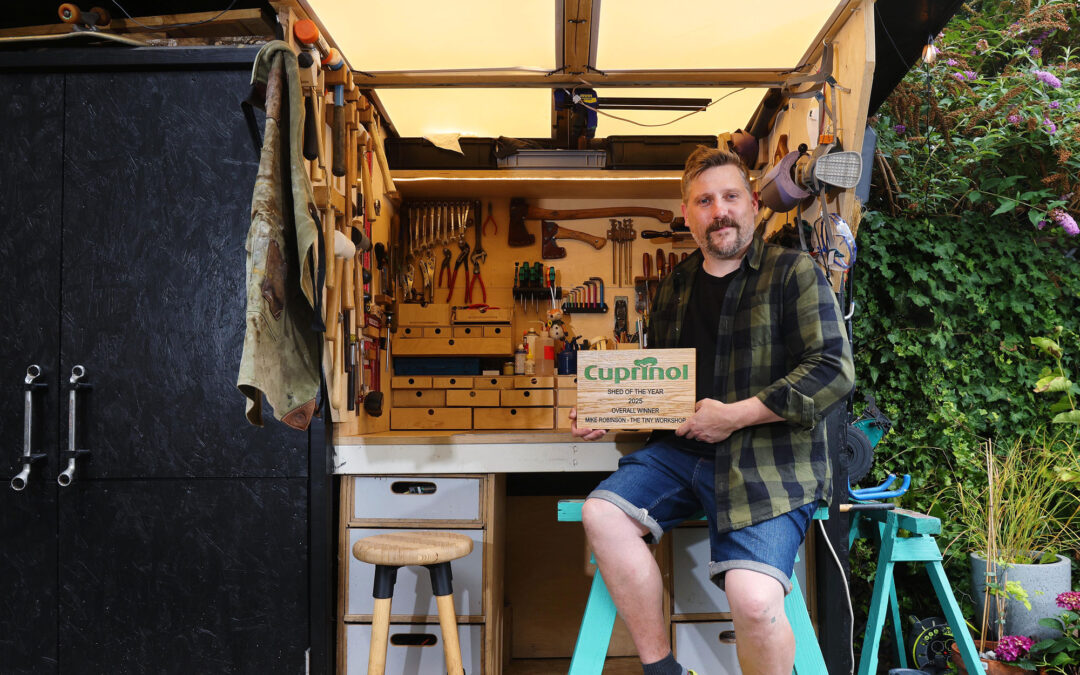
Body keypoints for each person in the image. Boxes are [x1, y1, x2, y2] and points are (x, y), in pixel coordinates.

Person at [570, 146, 854, 675]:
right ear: (687, 214)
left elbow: (832, 371)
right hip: (679, 455)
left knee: (753, 601)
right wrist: (612, 409)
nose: (718, 210)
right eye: (704, 201)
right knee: (601, 514)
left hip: (766, 461)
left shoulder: (794, 273)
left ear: (751, 204)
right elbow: (662, 388)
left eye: (729, 196)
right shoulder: (674, 286)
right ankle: (663, 670)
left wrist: (736, 415)